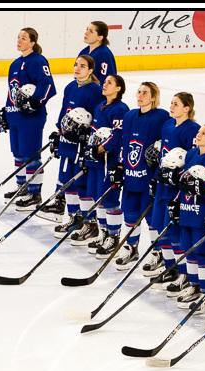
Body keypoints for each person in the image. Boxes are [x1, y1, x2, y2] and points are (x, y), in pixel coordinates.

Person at [143, 93, 200, 284]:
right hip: (162, 185)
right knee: (160, 227)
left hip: (177, 189)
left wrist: (179, 178)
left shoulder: (193, 130)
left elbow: (193, 159)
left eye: (176, 104)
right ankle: (170, 268)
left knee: (174, 233)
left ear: (187, 108)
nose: (172, 106)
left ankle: (183, 273)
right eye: (171, 103)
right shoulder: (167, 125)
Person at [113, 82, 168, 270]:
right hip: (131, 174)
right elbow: (125, 143)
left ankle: (157, 252)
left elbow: (165, 144)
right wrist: (121, 166)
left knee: (152, 218)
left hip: (148, 178)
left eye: (145, 93)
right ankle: (131, 247)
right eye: (139, 92)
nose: (141, 95)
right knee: (129, 213)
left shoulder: (161, 117)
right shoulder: (129, 116)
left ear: (153, 97)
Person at [167, 125, 205, 308]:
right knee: (189, 250)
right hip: (186, 209)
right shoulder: (190, 154)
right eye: (199, 133)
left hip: (202, 213)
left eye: (204, 134)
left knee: (204, 253)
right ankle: (194, 285)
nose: (199, 135)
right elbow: (183, 184)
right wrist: (175, 202)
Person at [1, 27, 56, 211]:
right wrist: (6, 111)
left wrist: (35, 102)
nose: (19, 40)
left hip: (31, 117)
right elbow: (12, 91)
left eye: (24, 38)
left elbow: (47, 85)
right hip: (16, 116)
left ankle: (34, 192)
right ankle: (22, 187)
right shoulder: (15, 64)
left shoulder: (38, 61)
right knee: (18, 153)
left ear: (32, 42)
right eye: (18, 37)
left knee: (31, 155)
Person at [49, 55, 103, 234]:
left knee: (80, 183)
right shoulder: (70, 87)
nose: (77, 68)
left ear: (90, 70)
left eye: (82, 66)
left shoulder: (95, 90)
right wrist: (58, 132)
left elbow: (97, 119)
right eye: (75, 65)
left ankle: (89, 221)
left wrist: (87, 138)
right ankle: (73, 218)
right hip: (66, 142)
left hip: (81, 145)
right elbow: (64, 112)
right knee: (67, 182)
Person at [82, 74, 129, 255]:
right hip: (96, 160)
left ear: (118, 88)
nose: (105, 85)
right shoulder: (99, 106)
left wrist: (101, 149)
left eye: (110, 83)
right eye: (105, 82)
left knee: (109, 199)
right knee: (97, 197)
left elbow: (118, 136)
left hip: (110, 161)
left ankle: (113, 236)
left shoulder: (120, 109)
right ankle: (103, 233)